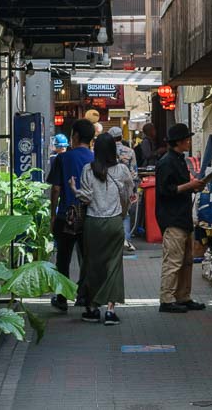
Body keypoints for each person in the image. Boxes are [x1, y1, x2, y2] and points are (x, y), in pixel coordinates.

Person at [72, 133, 135, 325]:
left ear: (95, 149)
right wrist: (122, 214)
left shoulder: (87, 170)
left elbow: (87, 198)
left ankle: (92, 308)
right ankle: (110, 310)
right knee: (113, 265)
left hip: (93, 223)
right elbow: (128, 195)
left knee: (92, 264)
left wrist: (75, 189)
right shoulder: (122, 170)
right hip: (114, 222)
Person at [156, 123, 207, 314]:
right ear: (179, 141)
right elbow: (166, 190)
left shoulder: (178, 159)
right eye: (186, 138)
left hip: (183, 217)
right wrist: (190, 185)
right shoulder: (166, 162)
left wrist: (193, 186)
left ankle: (183, 296)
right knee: (174, 260)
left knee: (186, 260)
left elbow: (179, 187)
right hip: (173, 218)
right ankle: (167, 298)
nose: (189, 141)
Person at [49, 118, 96, 312]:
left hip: (66, 214)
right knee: (87, 257)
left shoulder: (63, 158)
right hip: (90, 214)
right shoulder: (95, 159)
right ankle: (84, 296)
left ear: (75, 136)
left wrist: (52, 214)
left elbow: (56, 189)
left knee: (64, 258)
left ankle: (62, 298)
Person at [109, 126, 140, 252]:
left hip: (111, 186)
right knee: (125, 214)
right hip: (126, 186)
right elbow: (134, 172)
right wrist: (134, 189)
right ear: (121, 137)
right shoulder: (130, 151)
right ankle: (126, 240)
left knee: (112, 212)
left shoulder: (107, 151)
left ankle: (113, 241)